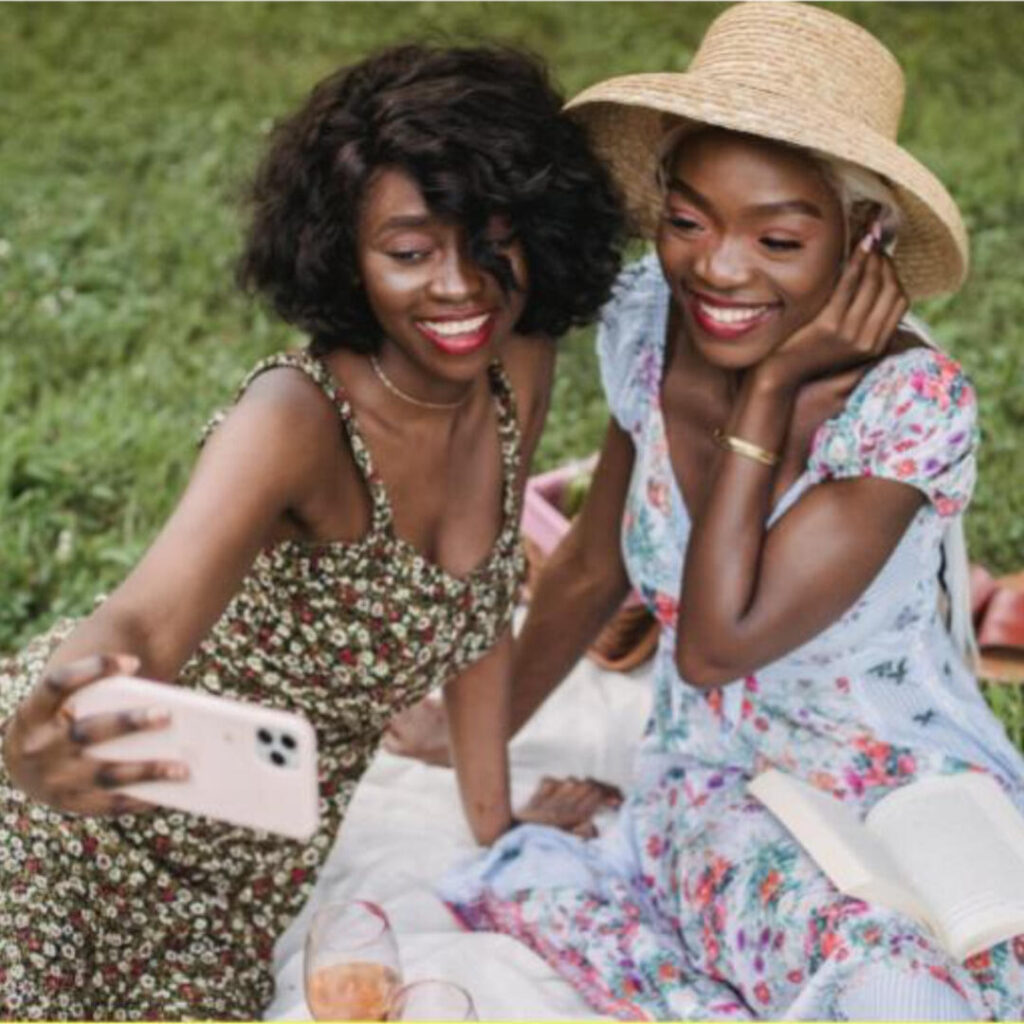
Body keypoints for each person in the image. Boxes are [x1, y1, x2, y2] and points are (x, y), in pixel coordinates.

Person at [0, 45, 625, 1020]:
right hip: (96, 815)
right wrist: (46, 730)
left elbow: (480, 609)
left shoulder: (515, 365)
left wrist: (496, 825)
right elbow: (144, 620)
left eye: (488, 240)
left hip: (250, 860)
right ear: (344, 254)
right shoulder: (298, 418)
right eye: (410, 251)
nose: (460, 287)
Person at [440, 5, 1024, 1020]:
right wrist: (473, 748)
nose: (718, 268)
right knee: (893, 985)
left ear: (864, 239)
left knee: (988, 952)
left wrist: (764, 398)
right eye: (687, 219)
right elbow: (613, 581)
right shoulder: (642, 326)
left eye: (779, 237)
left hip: (913, 772)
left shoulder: (906, 406)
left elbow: (727, 626)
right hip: (721, 769)